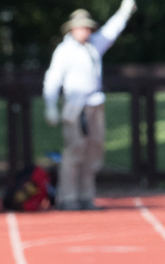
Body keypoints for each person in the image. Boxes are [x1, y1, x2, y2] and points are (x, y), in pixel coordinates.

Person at [43, 0, 136, 211]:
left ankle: (86, 196)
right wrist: (50, 105)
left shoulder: (94, 44)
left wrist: (124, 10)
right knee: (74, 150)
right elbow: (53, 78)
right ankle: (68, 198)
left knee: (94, 151)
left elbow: (112, 29)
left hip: (95, 103)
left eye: (87, 27)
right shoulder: (64, 50)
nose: (84, 30)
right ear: (72, 29)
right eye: (81, 27)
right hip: (74, 105)